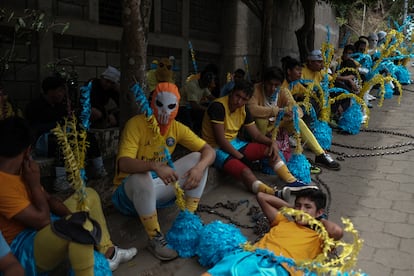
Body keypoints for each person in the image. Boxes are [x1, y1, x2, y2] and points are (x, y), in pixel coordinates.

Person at [0, 117, 137, 273]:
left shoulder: (22, 170)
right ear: (27, 151)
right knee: (78, 228)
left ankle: (108, 253)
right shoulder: (2, 183)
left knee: (88, 195)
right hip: (24, 247)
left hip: (45, 226)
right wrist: (35, 185)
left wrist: (72, 215)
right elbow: (42, 220)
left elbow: (50, 200)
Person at [112, 82, 215, 261]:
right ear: (152, 103)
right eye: (160, 105)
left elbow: (209, 151)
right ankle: (155, 238)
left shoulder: (177, 128)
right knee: (141, 176)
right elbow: (124, 164)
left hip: (158, 189)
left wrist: (198, 169)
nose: (164, 112)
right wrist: (154, 166)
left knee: (199, 159)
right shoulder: (135, 124)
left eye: (171, 106)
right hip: (129, 193)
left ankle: (187, 222)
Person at [201, 79, 312, 197]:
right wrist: (241, 158)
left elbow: (256, 135)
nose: (239, 101)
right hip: (214, 149)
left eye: (244, 99)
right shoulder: (218, 106)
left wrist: (272, 143)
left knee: (270, 150)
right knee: (245, 171)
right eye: (237, 96)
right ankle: (273, 193)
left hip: (234, 143)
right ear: (232, 92)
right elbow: (221, 140)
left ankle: (291, 181)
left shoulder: (243, 109)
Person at [203, 188, 343, 276]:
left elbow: (336, 231)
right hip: (251, 256)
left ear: (319, 212)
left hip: (280, 268)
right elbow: (262, 196)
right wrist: (291, 209)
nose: (302, 210)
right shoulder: (283, 221)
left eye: (308, 207)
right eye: (298, 205)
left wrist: (317, 220)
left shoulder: (321, 237)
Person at [248, 66, 340, 171]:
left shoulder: (283, 92)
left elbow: (297, 110)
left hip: (277, 125)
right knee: (261, 120)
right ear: (264, 82)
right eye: (270, 84)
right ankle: (256, 155)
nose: (273, 88)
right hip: (257, 130)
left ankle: (320, 154)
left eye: (276, 85)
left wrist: (291, 113)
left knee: (298, 121)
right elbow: (251, 109)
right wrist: (278, 111)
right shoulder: (255, 90)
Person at [25, 75, 108, 191]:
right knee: (62, 139)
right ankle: (60, 179)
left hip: (63, 135)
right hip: (42, 141)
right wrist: (58, 124)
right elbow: (34, 129)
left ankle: (99, 169)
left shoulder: (61, 106)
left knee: (86, 135)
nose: (63, 93)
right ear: (50, 91)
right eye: (60, 90)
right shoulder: (35, 106)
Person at [178, 68, 217, 134]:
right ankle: (191, 132)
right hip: (182, 106)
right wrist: (208, 110)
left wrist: (222, 102)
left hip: (191, 107)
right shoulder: (192, 86)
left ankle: (199, 129)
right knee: (189, 124)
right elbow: (194, 105)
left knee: (209, 107)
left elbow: (211, 98)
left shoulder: (203, 86)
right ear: (206, 81)